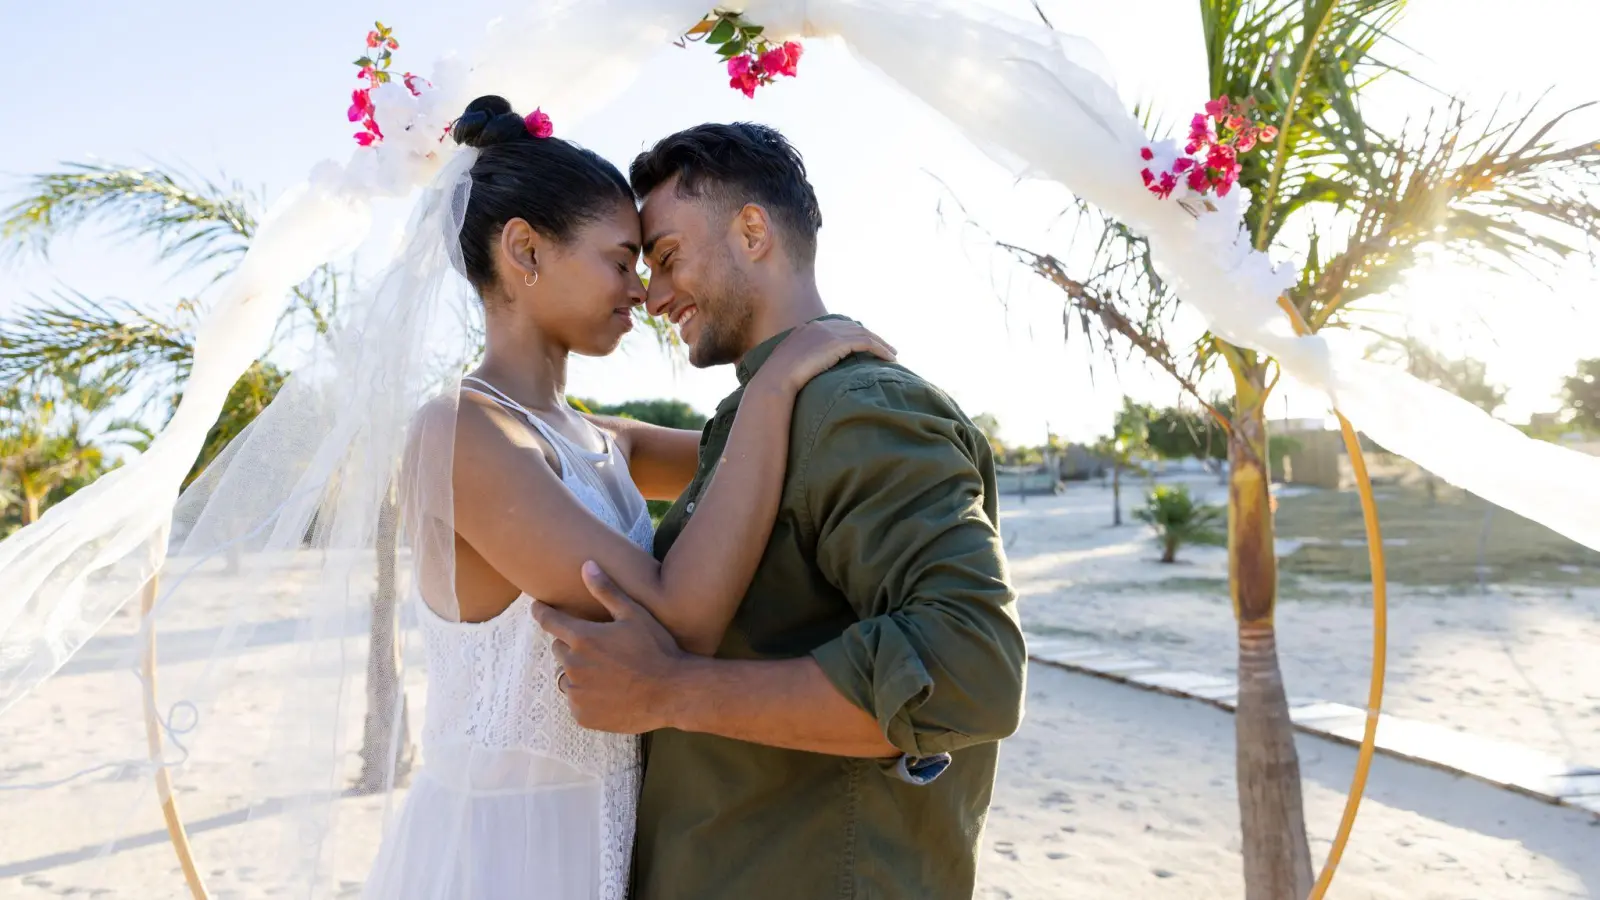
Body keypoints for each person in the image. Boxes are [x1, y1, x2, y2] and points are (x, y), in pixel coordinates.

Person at [363, 98, 894, 900]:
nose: (643, 293)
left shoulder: (603, 439)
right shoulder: (458, 434)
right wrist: (778, 380)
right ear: (525, 251)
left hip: (607, 838)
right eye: (621, 261)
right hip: (505, 856)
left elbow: (775, 470)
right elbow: (677, 615)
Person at [533, 123, 1029, 899]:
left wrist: (672, 688)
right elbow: (611, 441)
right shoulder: (761, 421)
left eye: (666, 257)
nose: (654, 295)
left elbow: (972, 669)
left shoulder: (861, 407)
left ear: (753, 230)